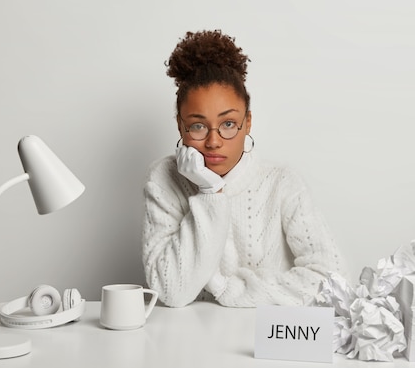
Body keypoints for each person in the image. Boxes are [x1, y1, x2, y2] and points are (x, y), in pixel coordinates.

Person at [142, 30, 346, 307]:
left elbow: (333, 281)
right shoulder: (164, 179)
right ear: (181, 125)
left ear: (247, 123)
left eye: (228, 124)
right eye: (198, 126)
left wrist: (228, 288)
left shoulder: (282, 183)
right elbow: (170, 292)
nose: (213, 142)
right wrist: (210, 192)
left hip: (267, 340)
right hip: (189, 340)